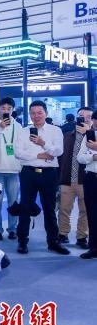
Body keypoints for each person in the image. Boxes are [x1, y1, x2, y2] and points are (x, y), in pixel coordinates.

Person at [14, 100, 69, 255]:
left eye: (39, 113)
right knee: (25, 207)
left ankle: (53, 242)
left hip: (49, 174)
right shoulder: (23, 131)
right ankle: (22, 241)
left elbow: (58, 151)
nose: (36, 116)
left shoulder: (55, 130)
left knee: (49, 208)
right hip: (28, 173)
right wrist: (39, 155)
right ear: (29, 114)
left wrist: (43, 143)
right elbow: (18, 153)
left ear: (46, 113)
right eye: (33, 113)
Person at [57, 107, 92, 248]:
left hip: (86, 180)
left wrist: (88, 133)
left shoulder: (93, 137)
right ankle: (62, 233)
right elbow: (60, 158)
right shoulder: (66, 136)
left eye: (88, 117)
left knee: (85, 210)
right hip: (67, 178)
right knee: (64, 209)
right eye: (81, 116)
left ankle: (82, 237)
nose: (84, 119)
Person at [0, 97, 21, 240]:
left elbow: (20, 146)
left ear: (12, 110)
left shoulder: (17, 126)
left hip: (13, 169)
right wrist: (0, 128)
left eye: (9, 108)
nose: (6, 111)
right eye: (3, 108)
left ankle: (13, 229)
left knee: (13, 201)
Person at [76, 110, 97, 259]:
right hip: (91, 179)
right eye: (95, 120)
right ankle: (94, 247)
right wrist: (93, 156)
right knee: (92, 213)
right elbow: (80, 157)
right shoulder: (89, 136)